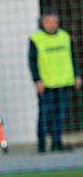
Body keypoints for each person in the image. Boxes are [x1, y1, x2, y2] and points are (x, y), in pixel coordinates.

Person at [29, 12, 82, 153]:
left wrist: (76, 75)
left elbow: (73, 56)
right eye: (49, 21)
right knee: (45, 114)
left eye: (54, 21)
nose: (52, 24)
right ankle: (42, 144)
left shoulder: (65, 36)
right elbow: (32, 62)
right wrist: (37, 80)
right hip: (46, 84)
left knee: (60, 114)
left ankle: (56, 142)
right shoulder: (36, 39)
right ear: (43, 23)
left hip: (63, 82)